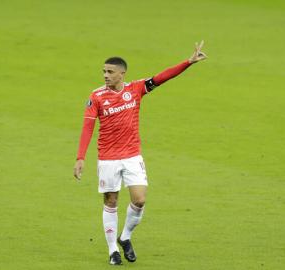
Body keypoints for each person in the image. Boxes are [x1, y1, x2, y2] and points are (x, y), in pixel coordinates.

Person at [73, 41, 207, 265]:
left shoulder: (135, 89)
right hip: (107, 158)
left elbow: (161, 78)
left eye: (110, 72)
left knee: (140, 200)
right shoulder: (96, 96)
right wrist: (80, 157)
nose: (105, 75)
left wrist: (188, 62)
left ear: (122, 74)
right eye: (104, 71)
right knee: (111, 201)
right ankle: (112, 251)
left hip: (132, 155)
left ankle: (125, 237)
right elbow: (88, 127)